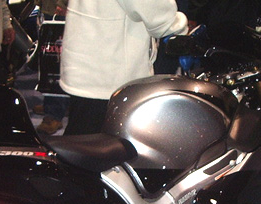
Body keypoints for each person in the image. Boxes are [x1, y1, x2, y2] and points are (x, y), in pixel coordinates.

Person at [60, 0, 188, 136]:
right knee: (98, 140)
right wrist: (182, 26)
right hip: (109, 72)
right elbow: (159, 18)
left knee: (81, 135)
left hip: (91, 64)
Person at [34, 0, 69, 135]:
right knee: (47, 61)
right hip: (48, 9)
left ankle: (54, 113)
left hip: (60, 10)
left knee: (55, 64)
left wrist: (64, 4)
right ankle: (52, 104)